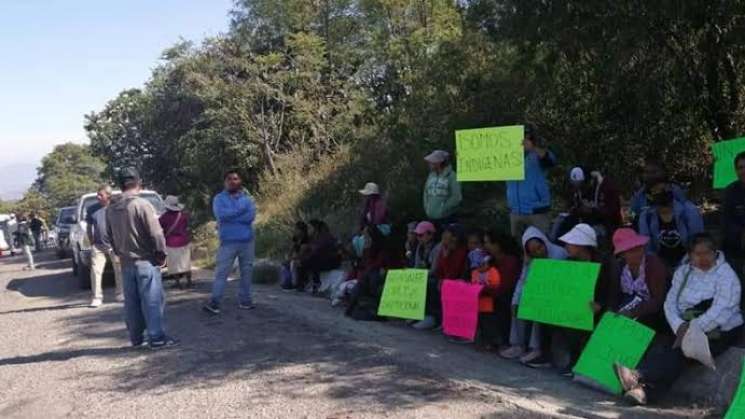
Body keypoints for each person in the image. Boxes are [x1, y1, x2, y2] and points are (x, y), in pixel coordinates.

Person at [614, 233, 743, 405]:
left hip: (720, 329)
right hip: (684, 323)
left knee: (682, 351)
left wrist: (691, 329)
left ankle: (639, 376)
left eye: (708, 253)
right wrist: (679, 326)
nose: (703, 258)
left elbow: (722, 310)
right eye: (698, 253)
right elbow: (670, 303)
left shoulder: (727, 276)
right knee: (669, 345)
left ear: (715, 252)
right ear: (690, 255)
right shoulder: (683, 272)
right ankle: (643, 392)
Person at [106, 167, 177, 349]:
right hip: (145, 260)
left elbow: (109, 236)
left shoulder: (111, 209)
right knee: (152, 300)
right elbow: (156, 234)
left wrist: (119, 254)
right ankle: (157, 338)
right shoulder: (142, 205)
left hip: (125, 261)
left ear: (121, 185)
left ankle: (136, 339)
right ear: (138, 183)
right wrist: (161, 255)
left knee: (132, 302)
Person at [551, 224, 620, 375]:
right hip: (577, 309)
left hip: (601, 308)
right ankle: (573, 360)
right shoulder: (569, 263)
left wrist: (601, 304)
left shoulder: (605, 263)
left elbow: (611, 288)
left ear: (582, 245)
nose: (566, 246)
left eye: (571, 243)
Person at [500, 226, 568, 367]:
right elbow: (523, 281)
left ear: (544, 242)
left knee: (539, 309)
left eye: (539, 247)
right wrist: (515, 301)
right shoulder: (530, 260)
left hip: (556, 297)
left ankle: (536, 349)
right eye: (534, 251)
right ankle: (517, 345)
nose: (539, 252)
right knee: (517, 304)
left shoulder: (560, 254)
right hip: (538, 294)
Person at [203, 170, 257, 314]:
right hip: (228, 242)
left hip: (247, 241)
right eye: (229, 179)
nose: (232, 181)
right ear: (225, 182)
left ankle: (245, 300)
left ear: (240, 181)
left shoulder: (248, 199)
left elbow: (250, 217)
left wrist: (232, 215)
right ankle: (215, 302)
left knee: (247, 273)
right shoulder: (219, 199)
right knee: (222, 273)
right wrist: (240, 211)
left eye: (236, 178)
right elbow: (221, 215)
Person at [612, 228, 669, 332]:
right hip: (628, 306)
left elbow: (659, 300)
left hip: (652, 312)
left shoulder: (654, 265)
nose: (638, 253)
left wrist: (632, 312)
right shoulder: (619, 267)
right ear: (623, 254)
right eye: (631, 251)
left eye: (639, 248)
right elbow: (615, 295)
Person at [637, 180, 704, 269]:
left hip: (688, 265)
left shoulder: (689, 211)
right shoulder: (646, 217)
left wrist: (683, 267)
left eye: (664, 190)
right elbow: (648, 249)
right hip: (660, 267)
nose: (661, 193)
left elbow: (698, 242)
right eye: (656, 191)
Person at [413, 224, 468, 330]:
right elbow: (439, 270)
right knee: (428, 283)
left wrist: (446, 258)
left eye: (446, 233)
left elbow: (453, 273)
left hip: (458, 282)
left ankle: (434, 318)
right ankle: (423, 315)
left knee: (430, 285)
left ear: (455, 237)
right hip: (444, 280)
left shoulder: (461, 251)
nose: (443, 235)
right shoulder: (443, 248)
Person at [506, 125, 557, 238]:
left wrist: (533, 148)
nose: (523, 140)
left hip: (537, 211)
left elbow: (551, 162)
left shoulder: (540, 154)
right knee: (518, 248)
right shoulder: (506, 156)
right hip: (515, 211)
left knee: (542, 246)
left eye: (526, 137)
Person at [552, 167, 622, 242]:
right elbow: (575, 207)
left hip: (604, 225)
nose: (579, 188)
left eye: (581, 184)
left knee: (582, 235)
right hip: (585, 222)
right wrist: (576, 209)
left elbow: (612, 212)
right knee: (560, 221)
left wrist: (593, 211)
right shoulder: (579, 191)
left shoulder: (606, 187)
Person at [482, 230, 523, 347]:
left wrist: (484, 289)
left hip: (507, 296)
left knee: (493, 302)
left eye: (488, 242)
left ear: (497, 244)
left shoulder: (510, 261)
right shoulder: (489, 260)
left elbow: (504, 286)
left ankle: (501, 339)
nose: (486, 246)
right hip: (493, 292)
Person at [88, 184, 123, 307]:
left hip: (114, 245)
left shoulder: (116, 207)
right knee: (95, 272)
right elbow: (89, 226)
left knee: (118, 270)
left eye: (100, 194)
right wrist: (91, 241)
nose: (97, 196)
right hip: (98, 246)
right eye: (97, 194)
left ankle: (120, 293)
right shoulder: (92, 209)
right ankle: (97, 297)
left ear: (108, 196)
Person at [629, 159, 687, 224]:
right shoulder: (639, 194)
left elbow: (685, 210)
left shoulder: (675, 190)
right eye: (647, 172)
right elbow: (632, 213)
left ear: (663, 173)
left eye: (654, 172)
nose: (650, 175)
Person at [296, 219, 341, 293]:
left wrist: (307, 251)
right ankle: (303, 283)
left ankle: (314, 284)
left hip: (331, 261)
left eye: (310, 228)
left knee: (312, 260)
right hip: (324, 260)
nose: (308, 230)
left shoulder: (324, 237)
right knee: (306, 260)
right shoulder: (314, 238)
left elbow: (317, 250)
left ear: (315, 228)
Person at [423, 150, 462, 229]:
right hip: (431, 217)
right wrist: (427, 207)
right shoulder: (431, 175)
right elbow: (425, 192)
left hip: (447, 218)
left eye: (432, 161)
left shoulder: (452, 176)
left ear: (439, 162)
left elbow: (456, 196)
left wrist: (443, 209)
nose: (429, 164)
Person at [159, 195, 192, 289]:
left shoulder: (164, 217)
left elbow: (159, 227)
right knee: (186, 263)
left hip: (171, 242)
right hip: (184, 241)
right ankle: (189, 281)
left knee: (174, 264)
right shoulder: (183, 215)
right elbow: (186, 227)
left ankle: (178, 283)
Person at [471, 254, 502, 349]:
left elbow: (495, 286)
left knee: (488, 324)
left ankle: (491, 342)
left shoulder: (493, 272)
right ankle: (479, 341)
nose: (479, 267)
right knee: (479, 324)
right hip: (477, 304)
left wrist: (483, 289)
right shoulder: (475, 272)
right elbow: (473, 285)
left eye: (482, 264)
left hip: (489, 305)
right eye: (478, 265)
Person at [721, 151, 745, 271]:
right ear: (736, 171)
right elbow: (726, 222)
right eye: (740, 167)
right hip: (736, 248)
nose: (744, 171)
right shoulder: (729, 192)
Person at [281, 221, 310, 290]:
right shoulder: (295, 238)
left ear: (302, 230)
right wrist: (288, 257)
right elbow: (291, 248)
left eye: (297, 229)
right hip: (296, 256)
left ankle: (295, 283)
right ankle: (287, 282)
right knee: (285, 263)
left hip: (304, 257)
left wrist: (291, 258)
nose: (295, 231)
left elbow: (302, 253)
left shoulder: (306, 239)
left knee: (293, 263)